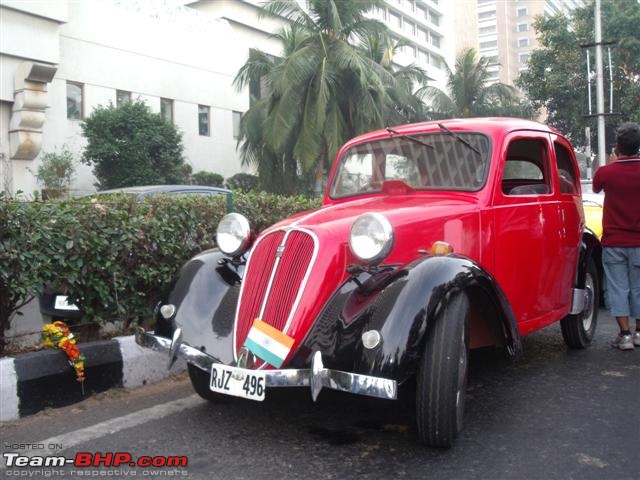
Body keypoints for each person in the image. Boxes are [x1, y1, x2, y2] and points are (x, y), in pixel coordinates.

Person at [593, 122, 640, 350]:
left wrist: (613, 162)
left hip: (614, 242)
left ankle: (625, 335)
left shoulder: (606, 172)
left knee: (617, 287)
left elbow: (595, 187)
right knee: (639, 287)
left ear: (618, 146)